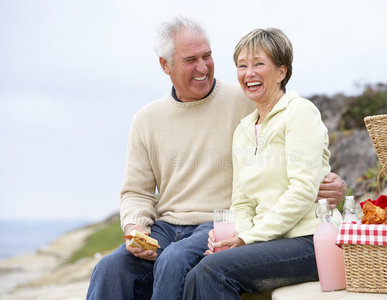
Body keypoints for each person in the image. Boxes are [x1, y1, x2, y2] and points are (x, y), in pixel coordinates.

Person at [87, 17, 346, 300]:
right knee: (109, 268)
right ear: (165, 65)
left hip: (219, 221)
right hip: (169, 226)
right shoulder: (149, 120)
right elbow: (137, 192)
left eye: (207, 56)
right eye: (190, 60)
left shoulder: (250, 100)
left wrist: (333, 183)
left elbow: (301, 148)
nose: (202, 67)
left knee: (177, 261)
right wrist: (135, 226)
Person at [183, 28, 343, 299]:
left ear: (282, 71)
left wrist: (247, 239)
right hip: (271, 242)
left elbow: (303, 191)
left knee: (210, 271)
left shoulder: (300, 112)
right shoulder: (244, 129)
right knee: (202, 266)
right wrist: (236, 238)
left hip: (310, 240)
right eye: (242, 66)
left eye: (259, 64)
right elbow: (242, 202)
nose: (249, 73)